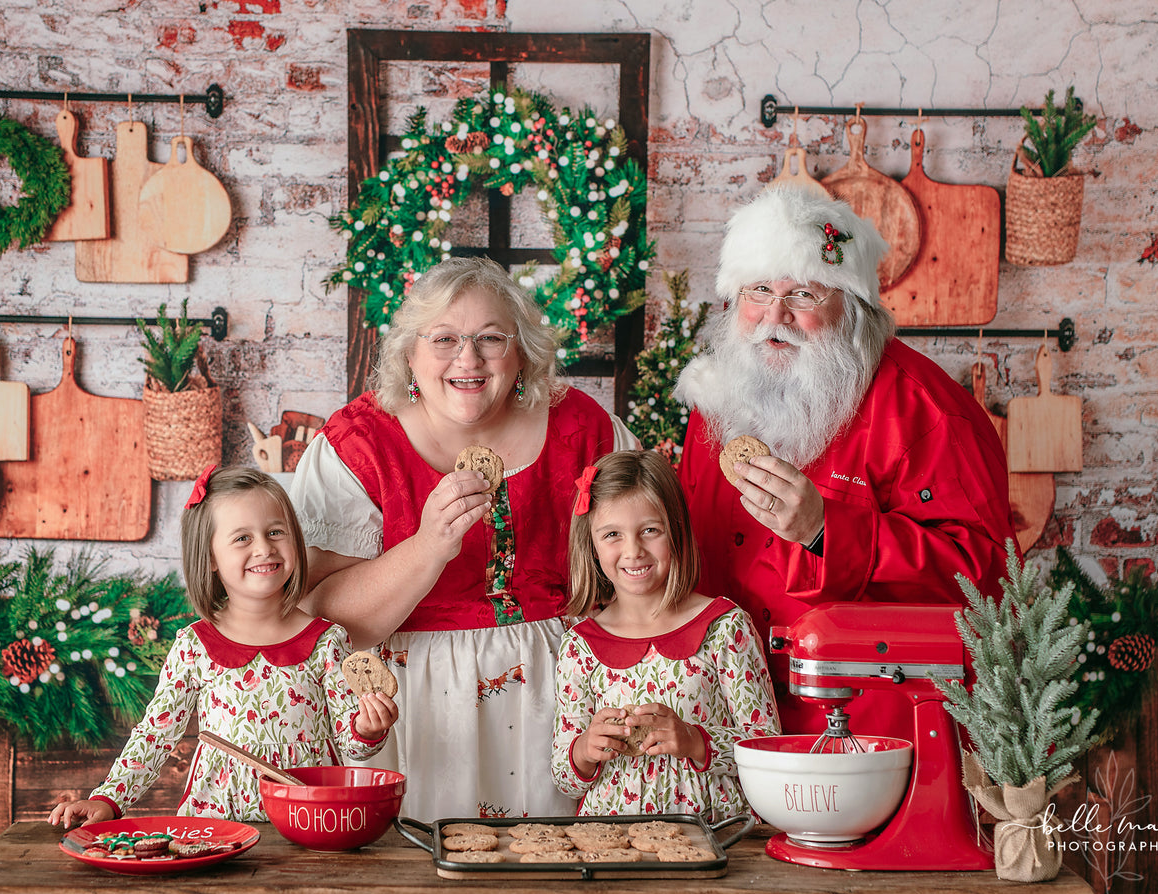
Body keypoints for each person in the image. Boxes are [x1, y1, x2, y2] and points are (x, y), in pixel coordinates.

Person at [290, 256, 639, 821]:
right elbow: (322, 617)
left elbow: (647, 562)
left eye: (491, 339)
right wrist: (427, 546)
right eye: (444, 339)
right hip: (412, 700)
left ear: (522, 352)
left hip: (565, 696)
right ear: (410, 355)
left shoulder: (585, 428)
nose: (468, 358)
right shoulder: (358, 444)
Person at [673, 184, 1015, 739]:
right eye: (759, 290)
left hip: (869, 728)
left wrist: (825, 531)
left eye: (804, 294)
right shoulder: (716, 403)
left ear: (852, 307)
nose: (774, 316)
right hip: (726, 720)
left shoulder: (928, 415)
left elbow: (986, 582)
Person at [49, 466, 398, 827]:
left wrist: (368, 729)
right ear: (211, 558)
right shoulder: (194, 646)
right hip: (215, 827)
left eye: (275, 532)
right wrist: (109, 799)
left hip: (309, 824)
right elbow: (155, 734)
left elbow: (350, 742)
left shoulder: (327, 641)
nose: (264, 547)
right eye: (242, 538)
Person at [551, 450, 780, 821]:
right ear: (591, 545)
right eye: (612, 535)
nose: (633, 551)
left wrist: (694, 741)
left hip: (717, 835)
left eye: (650, 530)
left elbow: (768, 749)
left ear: (675, 529)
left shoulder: (724, 627)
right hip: (611, 843)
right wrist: (584, 750)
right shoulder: (580, 644)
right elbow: (565, 778)